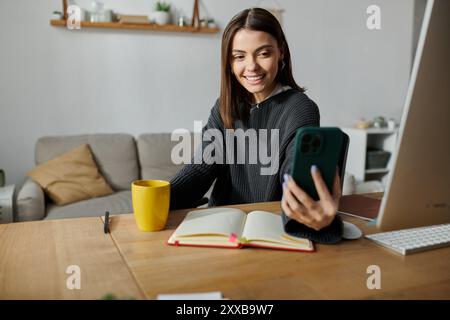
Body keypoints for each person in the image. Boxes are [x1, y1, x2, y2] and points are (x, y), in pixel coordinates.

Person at [170, 8, 342, 243]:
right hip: (222, 230)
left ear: (280, 51)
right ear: (229, 62)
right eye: (239, 56)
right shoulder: (225, 106)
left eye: (263, 54)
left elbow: (293, 170)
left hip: (272, 231)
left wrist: (311, 206)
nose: (251, 66)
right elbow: (202, 168)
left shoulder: (300, 108)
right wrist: (155, 200)